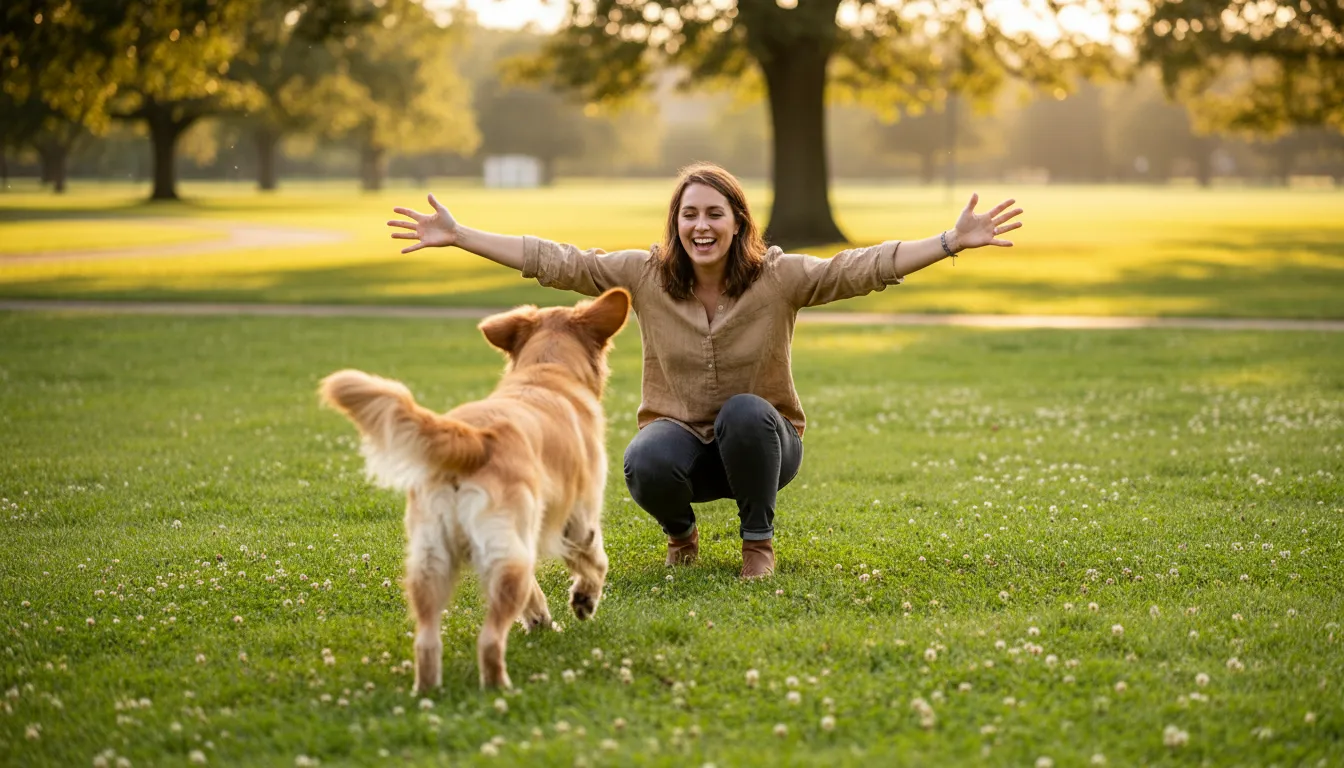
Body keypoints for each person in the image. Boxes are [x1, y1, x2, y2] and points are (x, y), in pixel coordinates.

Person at [387, 162, 1023, 579]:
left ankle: (757, 544)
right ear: (676, 225)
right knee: (643, 458)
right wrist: (461, 235)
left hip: (765, 443)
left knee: (746, 412)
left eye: (714, 213)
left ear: (738, 221)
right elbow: (558, 261)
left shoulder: (778, 278)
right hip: (682, 444)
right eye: (689, 215)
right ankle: (682, 534)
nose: (701, 226)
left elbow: (862, 268)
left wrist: (948, 242)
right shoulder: (645, 275)